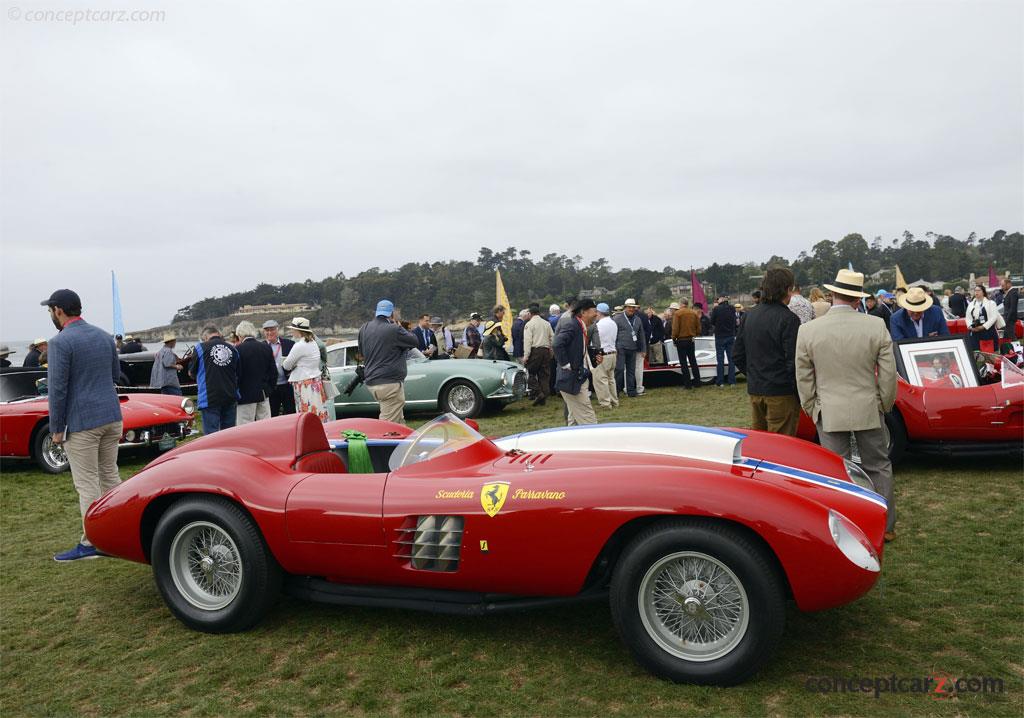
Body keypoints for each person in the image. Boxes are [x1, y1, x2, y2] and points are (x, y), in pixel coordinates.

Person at [795, 269, 897, 542]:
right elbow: (888, 373)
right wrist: (883, 404)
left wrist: (812, 407)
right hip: (867, 406)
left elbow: (803, 376)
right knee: (878, 466)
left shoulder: (808, 330)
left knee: (834, 471)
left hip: (828, 409)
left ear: (832, 295)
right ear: (857, 299)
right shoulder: (875, 325)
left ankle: (843, 524)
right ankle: (885, 526)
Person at [40, 289, 123, 562]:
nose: (51, 315)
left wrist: (56, 428)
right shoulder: (104, 336)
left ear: (59, 311)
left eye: (51, 310)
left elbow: (58, 390)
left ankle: (92, 543)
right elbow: (115, 375)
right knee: (110, 477)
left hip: (83, 422)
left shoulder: (60, 343)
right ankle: (120, 533)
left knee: (87, 484)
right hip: (112, 416)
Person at [733, 268, 802, 435]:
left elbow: (737, 354)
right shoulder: (789, 319)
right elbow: (793, 361)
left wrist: (754, 374)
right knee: (782, 447)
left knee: (762, 446)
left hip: (757, 389)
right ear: (787, 290)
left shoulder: (749, 316)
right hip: (781, 392)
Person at [358, 300, 418, 424]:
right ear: (391, 314)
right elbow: (414, 341)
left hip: (372, 380)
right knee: (388, 424)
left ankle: (403, 441)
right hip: (389, 383)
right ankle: (383, 442)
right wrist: (400, 327)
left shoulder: (364, 328)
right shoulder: (394, 329)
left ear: (376, 313)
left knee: (399, 420)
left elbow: (362, 353)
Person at [553, 298, 600, 426]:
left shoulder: (581, 326)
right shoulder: (573, 325)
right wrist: (566, 364)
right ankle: (595, 440)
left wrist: (592, 356)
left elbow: (576, 349)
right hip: (572, 378)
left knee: (573, 419)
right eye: (594, 311)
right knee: (588, 418)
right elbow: (557, 344)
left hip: (578, 377)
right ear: (583, 312)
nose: (596, 314)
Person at [189, 325, 240, 434]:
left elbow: (191, 372)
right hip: (230, 395)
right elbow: (238, 371)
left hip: (210, 397)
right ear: (219, 334)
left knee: (211, 435)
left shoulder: (200, 348)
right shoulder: (233, 348)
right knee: (229, 433)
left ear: (206, 337)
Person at [281, 317, 329, 422]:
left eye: (293, 329)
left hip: (304, 384)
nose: (292, 331)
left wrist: (295, 364)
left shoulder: (299, 345)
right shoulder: (313, 343)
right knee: (317, 411)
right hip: (315, 381)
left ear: (298, 331)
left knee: (306, 414)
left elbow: (286, 365)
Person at [235, 321, 277, 425]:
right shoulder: (266, 347)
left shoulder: (237, 350)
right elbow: (273, 372)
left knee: (244, 426)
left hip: (244, 395)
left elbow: (236, 375)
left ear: (240, 335)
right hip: (263, 393)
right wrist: (269, 390)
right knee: (265, 425)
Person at [613, 299, 647, 398]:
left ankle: (631, 391)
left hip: (633, 348)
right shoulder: (617, 318)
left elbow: (641, 335)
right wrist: (614, 347)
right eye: (629, 307)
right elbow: (613, 334)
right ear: (625, 308)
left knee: (631, 371)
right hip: (620, 348)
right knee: (619, 370)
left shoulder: (638, 319)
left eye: (633, 307)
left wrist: (644, 349)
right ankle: (616, 392)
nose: (631, 309)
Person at [522, 304, 554, 406]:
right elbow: (552, 338)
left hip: (535, 351)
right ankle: (544, 395)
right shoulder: (547, 323)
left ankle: (538, 393)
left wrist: (526, 355)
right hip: (546, 350)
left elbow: (528, 341)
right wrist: (551, 351)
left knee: (529, 373)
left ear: (530, 314)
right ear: (539, 313)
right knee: (544, 375)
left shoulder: (529, 324)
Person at [262, 319, 296, 416]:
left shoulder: (289, 344)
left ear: (277, 330)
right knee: (272, 414)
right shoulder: (261, 346)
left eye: (272, 330)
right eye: (267, 330)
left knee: (291, 412)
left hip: (287, 384)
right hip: (271, 387)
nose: (269, 333)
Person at [591, 303, 619, 408]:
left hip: (602, 354)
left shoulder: (599, 325)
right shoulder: (613, 323)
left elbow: (595, 341)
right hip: (612, 353)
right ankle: (614, 401)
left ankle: (605, 403)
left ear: (599, 313)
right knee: (611, 379)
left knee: (600, 379)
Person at [671, 298, 702, 389]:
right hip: (691, 340)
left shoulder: (678, 313)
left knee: (683, 362)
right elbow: (698, 327)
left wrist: (673, 338)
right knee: (693, 361)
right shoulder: (694, 313)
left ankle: (687, 384)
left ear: (681, 304)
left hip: (681, 340)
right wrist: (695, 334)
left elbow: (675, 328)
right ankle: (697, 382)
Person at [709, 296, 737, 386]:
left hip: (720, 336)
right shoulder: (732, 308)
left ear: (721, 299)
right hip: (730, 335)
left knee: (720, 360)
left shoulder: (716, 309)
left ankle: (720, 382)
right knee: (731, 360)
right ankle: (732, 381)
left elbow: (712, 321)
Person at [965, 284, 1000, 352]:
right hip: (974, 332)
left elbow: (994, 317)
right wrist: (970, 327)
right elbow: (968, 317)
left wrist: (983, 326)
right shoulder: (971, 304)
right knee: (976, 352)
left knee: (988, 352)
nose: (976, 292)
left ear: (983, 292)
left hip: (987, 331)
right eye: (975, 290)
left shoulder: (991, 303)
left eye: (978, 290)